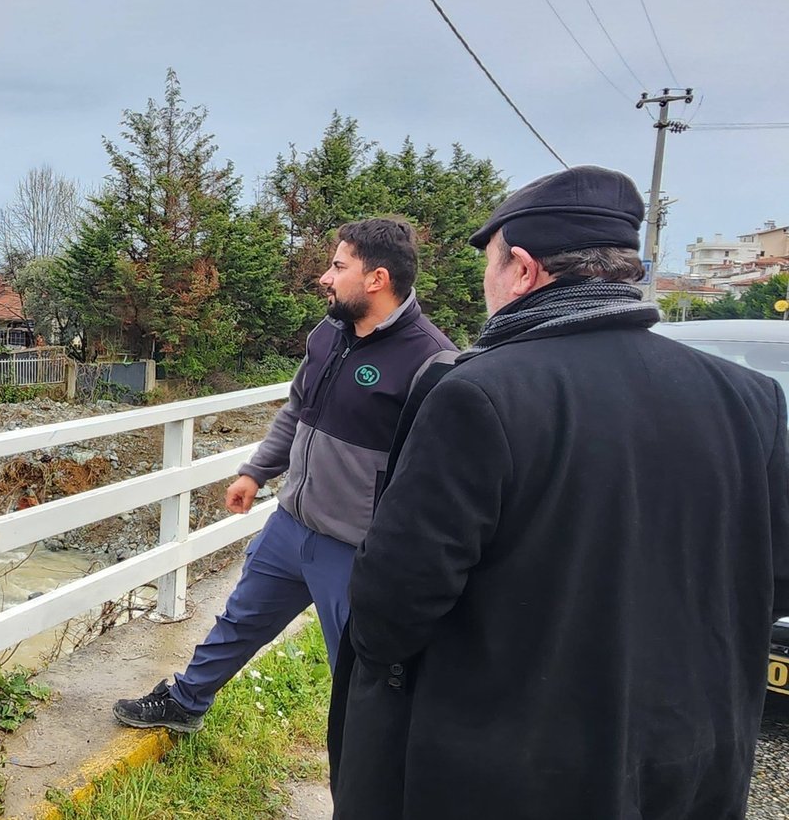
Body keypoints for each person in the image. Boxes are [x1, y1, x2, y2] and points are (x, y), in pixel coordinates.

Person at [332, 165, 789, 819]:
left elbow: (391, 607)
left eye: (489, 266)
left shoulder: (479, 394)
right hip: (689, 767)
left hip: (519, 772)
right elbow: (775, 579)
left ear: (522, 269)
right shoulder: (751, 399)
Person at [112, 217, 455, 733]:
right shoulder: (328, 334)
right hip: (292, 525)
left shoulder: (431, 360)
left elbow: (432, 478)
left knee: (360, 670)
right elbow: (298, 412)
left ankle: (368, 762)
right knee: (239, 620)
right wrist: (256, 472)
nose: (325, 277)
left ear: (376, 279)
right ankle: (186, 702)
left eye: (338, 266)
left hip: (356, 550)